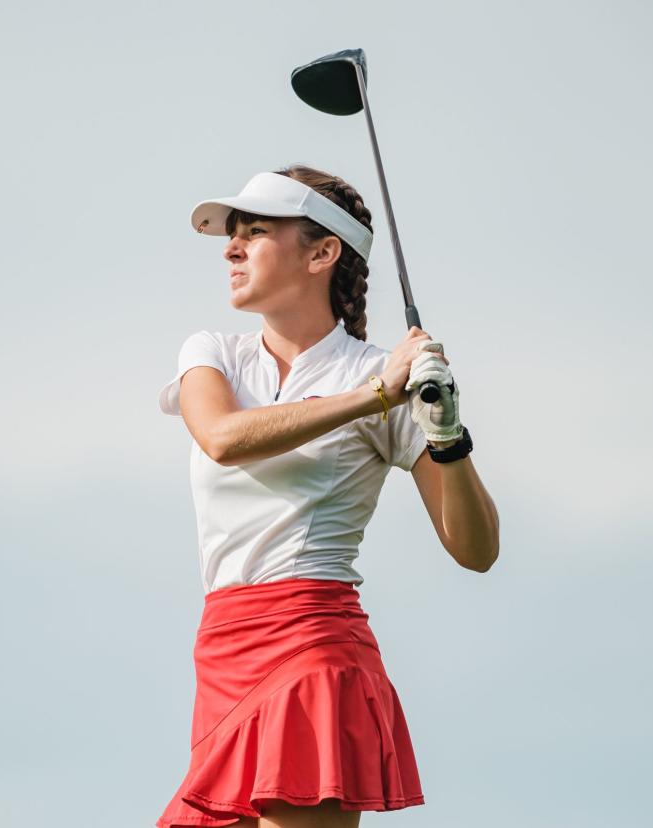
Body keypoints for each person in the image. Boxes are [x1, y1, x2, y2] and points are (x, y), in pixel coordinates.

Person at [155, 165, 500, 828]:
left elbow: (476, 549)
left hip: (313, 652)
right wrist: (374, 396)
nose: (230, 248)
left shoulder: (381, 378)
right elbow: (225, 438)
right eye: (233, 235)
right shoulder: (215, 354)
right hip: (224, 655)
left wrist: (447, 435)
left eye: (254, 232)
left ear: (322, 252)